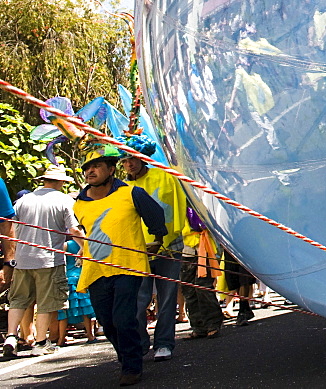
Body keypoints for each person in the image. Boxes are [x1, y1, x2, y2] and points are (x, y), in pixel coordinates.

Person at [74, 146, 167, 387]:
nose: (90, 171)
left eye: (96, 166)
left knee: (124, 317)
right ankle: (127, 355)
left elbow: (155, 215)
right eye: (87, 168)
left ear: (111, 170)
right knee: (107, 321)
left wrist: (157, 240)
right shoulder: (79, 203)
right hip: (95, 270)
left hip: (127, 266)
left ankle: (132, 366)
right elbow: (89, 234)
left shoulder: (131, 193)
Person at [2, 165, 83, 359]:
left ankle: (12, 337)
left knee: (19, 299)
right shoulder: (64, 200)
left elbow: (12, 225)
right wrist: (84, 247)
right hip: (49, 259)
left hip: (23, 259)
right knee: (48, 301)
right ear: (62, 182)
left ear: (43, 180)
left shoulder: (23, 200)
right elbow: (74, 229)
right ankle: (40, 342)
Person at [121, 136, 187, 362]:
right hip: (137, 251)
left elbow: (178, 207)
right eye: (124, 160)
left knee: (167, 298)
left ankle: (164, 343)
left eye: (132, 158)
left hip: (169, 246)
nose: (129, 164)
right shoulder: (121, 188)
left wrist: (174, 239)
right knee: (138, 300)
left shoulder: (165, 177)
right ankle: (140, 343)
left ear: (143, 157)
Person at [179, 205, 222, 339]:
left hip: (206, 245)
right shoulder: (179, 199)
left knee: (203, 286)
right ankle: (198, 326)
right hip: (187, 248)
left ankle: (213, 323)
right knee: (188, 288)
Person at [56, 238, 96, 346]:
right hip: (83, 277)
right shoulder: (87, 243)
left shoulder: (66, 245)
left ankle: (61, 339)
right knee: (85, 308)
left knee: (64, 309)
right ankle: (90, 335)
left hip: (68, 277)